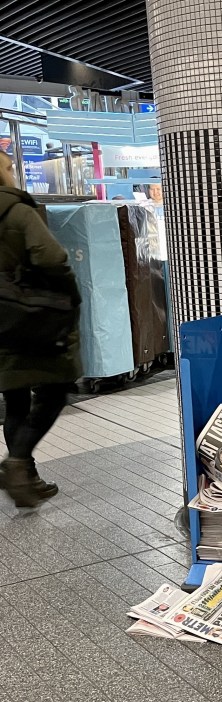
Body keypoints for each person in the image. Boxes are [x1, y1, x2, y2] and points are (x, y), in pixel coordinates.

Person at [0, 152, 81, 508]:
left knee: (13, 395)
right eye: (7, 166)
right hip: (21, 314)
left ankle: (25, 478)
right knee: (55, 388)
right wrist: (67, 293)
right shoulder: (16, 210)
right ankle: (18, 464)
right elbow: (52, 257)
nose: (12, 172)